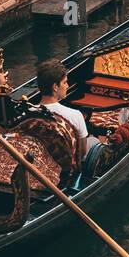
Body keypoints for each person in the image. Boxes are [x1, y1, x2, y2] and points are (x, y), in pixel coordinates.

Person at [34, 59, 114, 189]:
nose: (67, 85)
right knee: (94, 141)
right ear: (55, 87)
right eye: (65, 82)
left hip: (39, 165)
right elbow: (81, 153)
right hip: (67, 170)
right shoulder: (75, 115)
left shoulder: (30, 112)